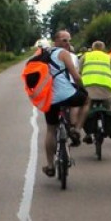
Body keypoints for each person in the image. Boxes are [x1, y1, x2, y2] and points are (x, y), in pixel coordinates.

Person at [41, 30, 88, 177]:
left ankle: (50, 165)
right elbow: (75, 76)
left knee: (51, 130)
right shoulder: (63, 54)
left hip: (50, 98)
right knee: (87, 100)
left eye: (69, 40)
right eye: (64, 40)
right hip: (67, 94)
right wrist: (83, 88)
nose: (67, 43)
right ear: (56, 41)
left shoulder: (43, 55)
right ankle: (77, 129)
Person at [76, 40, 111, 142]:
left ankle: (88, 134)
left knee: (87, 108)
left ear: (92, 48)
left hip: (88, 86)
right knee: (109, 107)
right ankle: (110, 129)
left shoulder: (85, 56)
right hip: (106, 87)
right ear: (103, 48)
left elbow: (79, 71)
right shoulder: (108, 57)